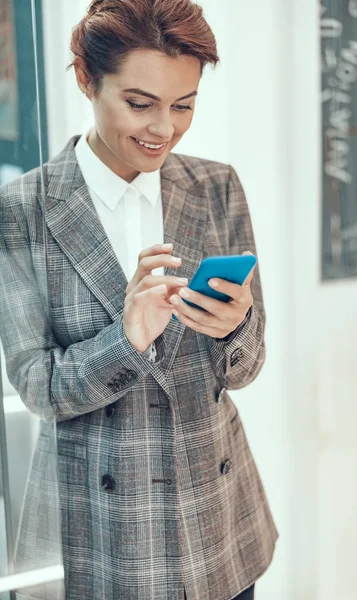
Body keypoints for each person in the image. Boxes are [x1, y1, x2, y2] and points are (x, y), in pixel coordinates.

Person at [0, 0, 279, 598]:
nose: (164, 129)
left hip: (217, 519)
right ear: (84, 78)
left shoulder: (215, 185)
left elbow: (249, 366)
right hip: (106, 533)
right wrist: (124, 341)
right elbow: (37, 386)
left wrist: (235, 328)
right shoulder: (22, 210)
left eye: (184, 104)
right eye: (139, 103)